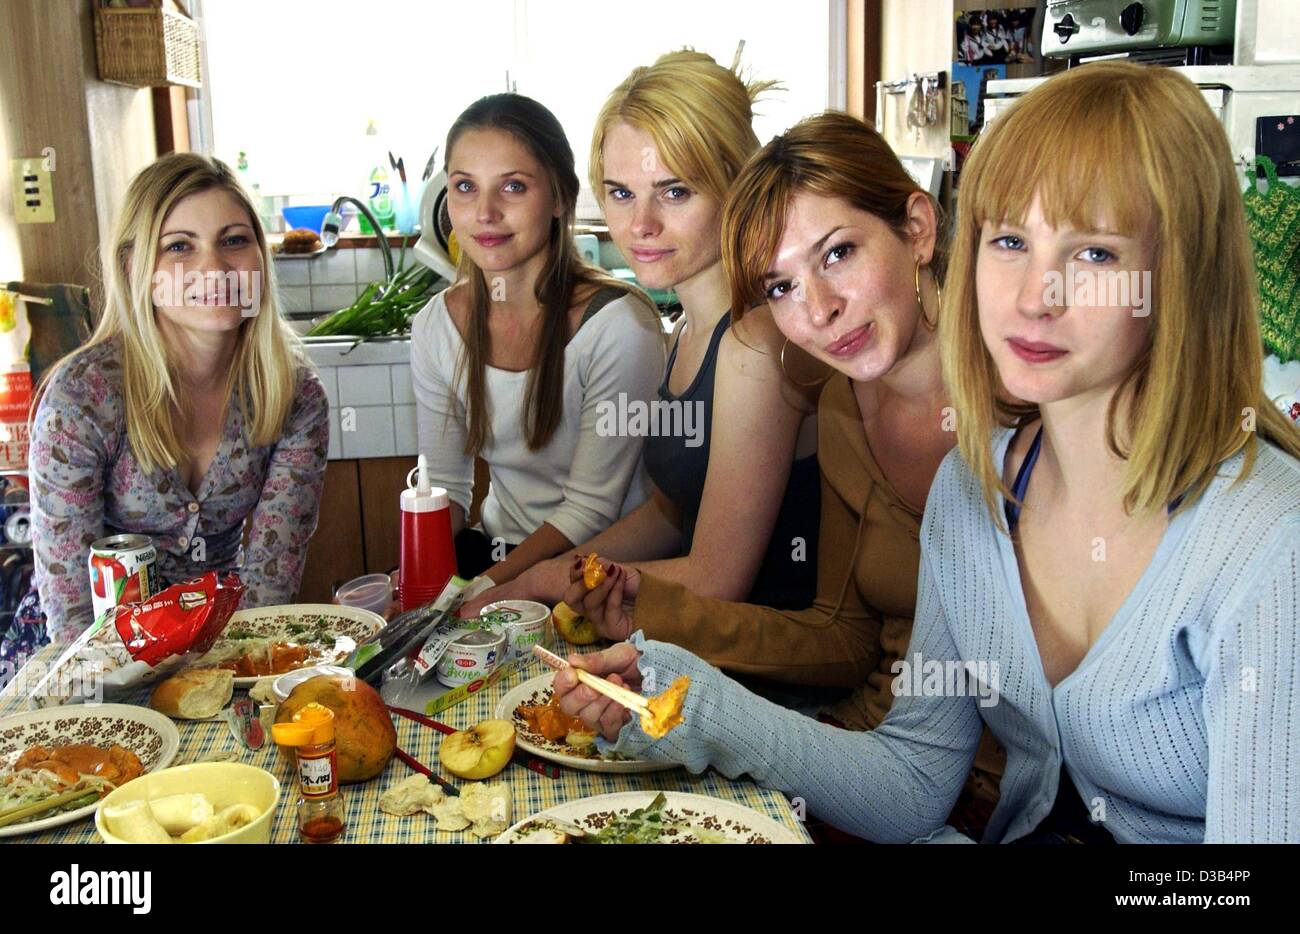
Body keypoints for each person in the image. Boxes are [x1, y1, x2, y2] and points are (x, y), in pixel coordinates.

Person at [555, 62, 1300, 843]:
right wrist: (695, 701)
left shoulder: (1266, 540)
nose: (1032, 296)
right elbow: (913, 781)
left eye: (1093, 255)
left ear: (1179, 273)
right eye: (1009, 241)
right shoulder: (969, 489)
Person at [463, 50, 821, 616]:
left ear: (735, 186)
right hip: (696, 648)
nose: (640, 225)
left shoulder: (754, 343)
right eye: (622, 193)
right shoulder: (682, 330)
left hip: (766, 669)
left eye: (675, 192)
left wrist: (550, 582)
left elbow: (716, 577)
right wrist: (528, 577)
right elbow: (669, 513)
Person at [24, 152, 329, 647]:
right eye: (179, 246)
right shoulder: (81, 399)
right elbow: (71, 613)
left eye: (234, 240)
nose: (213, 267)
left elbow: (272, 581)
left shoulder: (294, 394)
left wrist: (227, 676)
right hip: (86, 657)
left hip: (222, 640)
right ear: (134, 267)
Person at [409, 93, 665, 585]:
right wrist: (420, 583)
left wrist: (486, 587)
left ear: (560, 198)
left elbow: (590, 509)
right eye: (465, 186)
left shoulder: (619, 327)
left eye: (513, 187)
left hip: (598, 577)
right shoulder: (435, 326)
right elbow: (445, 488)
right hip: (499, 561)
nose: (485, 212)